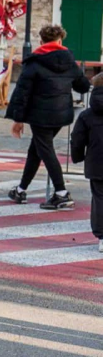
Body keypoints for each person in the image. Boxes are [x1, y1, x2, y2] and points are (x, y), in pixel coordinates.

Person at [6, 25, 89, 210]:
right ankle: (21, 189)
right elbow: (83, 86)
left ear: (41, 41)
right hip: (62, 114)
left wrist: (18, 119)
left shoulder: (34, 62)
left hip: (39, 115)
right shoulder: (69, 61)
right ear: (60, 41)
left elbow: (22, 92)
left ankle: (61, 193)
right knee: (36, 149)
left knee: (46, 151)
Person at [70, 74, 103, 254]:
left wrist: (78, 157)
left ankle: (102, 237)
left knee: (99, 199)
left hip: (97, 164)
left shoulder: (86, 115)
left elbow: (77, 139)